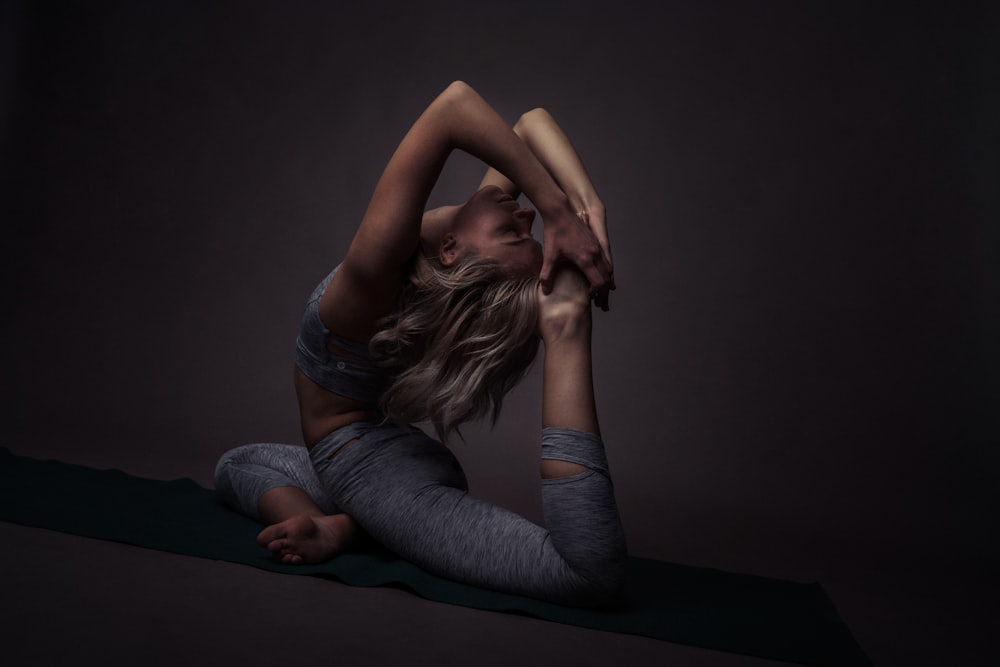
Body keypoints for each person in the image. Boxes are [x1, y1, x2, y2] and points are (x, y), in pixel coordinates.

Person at [214, 81, 626, 607]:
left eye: (515, 233)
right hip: (396, 457)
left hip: (373, 473)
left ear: (452, 250)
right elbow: (528, 125)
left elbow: (453, 107)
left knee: (585, 573)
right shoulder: (433, 259)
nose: (527, 214)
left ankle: (342, 525)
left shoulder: (376, 273)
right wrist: (583, 209)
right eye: (524, 225)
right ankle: (343, 526)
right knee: (237, 464)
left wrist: (565, 317)